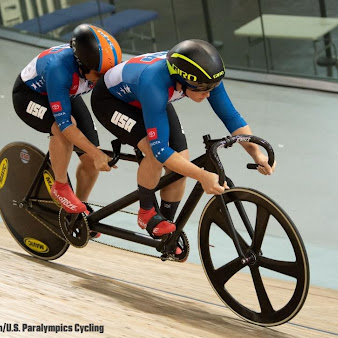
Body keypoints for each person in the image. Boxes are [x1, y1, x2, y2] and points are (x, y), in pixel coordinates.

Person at [90, 39, 275, 239]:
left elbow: (230, 117)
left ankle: (166, 224)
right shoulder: (155, 83)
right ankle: (147, 212)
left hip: (148, 99)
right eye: (202, 89)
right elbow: (160, 150)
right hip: (111, 101)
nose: (208, 93)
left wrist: (256, 152)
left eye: (212, 87)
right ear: (181, 80)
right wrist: (203, 176)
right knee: (154, 153)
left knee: (181, 163)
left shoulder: (205, 78)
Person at [12, 24, 122, 214]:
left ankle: (78, 210)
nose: (103, 79)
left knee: (90, 159)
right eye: (99, 74)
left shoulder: (95, 67)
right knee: (63, 129)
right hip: (29, 96)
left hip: (65, 94)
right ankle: (60, 186)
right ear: (82, 65)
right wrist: (97, 155)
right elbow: (66, 126)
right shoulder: (59, 69)